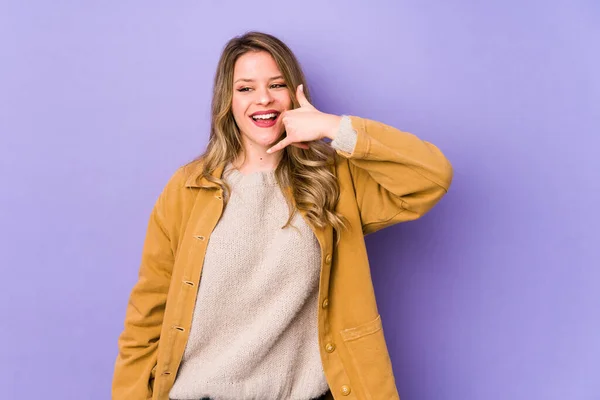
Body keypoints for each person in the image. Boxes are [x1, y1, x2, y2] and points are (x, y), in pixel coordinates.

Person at [112, 31, 453, 400]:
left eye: (276, 84)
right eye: (245, 88)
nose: (263, 98)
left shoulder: (335, 182)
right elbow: (146, 317)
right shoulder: (188, 188)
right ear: (226, 100)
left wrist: (331, 127)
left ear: (293, 93)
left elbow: (431, 177)